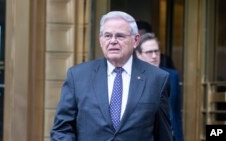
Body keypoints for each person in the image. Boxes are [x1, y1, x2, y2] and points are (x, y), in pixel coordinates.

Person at [50, 11, 173, 141]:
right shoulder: (78, 76)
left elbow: (164, 134)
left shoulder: (157, 79)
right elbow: (62, 129)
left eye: (120, 36)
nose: (113, 41)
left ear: (136, 40)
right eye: (107, 36)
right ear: (100, 40)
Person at [135, 33, 184, 141]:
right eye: (149, 52)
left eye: (156, 51)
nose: (154, 56)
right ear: (138, 54)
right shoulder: (131, 77)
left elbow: (176, 113)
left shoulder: (172, 76)